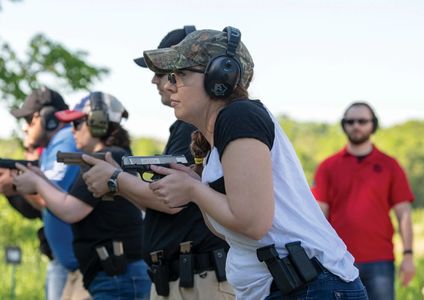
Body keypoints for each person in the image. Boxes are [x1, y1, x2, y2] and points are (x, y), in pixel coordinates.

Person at [141, 27, 368, 299]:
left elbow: (253, 222)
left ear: (220, 77)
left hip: (309, 286)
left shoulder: (239, 116)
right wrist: (196, 186)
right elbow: (231, 232)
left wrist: (193, 191)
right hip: (292, 286)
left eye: (181, 75)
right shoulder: (218, 138)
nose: (168, 85)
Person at [81, 26, 235, 300]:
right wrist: (118, 183)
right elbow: (164, 200)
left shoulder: (194, 125)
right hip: (184, 278)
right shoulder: (188, 126)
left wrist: (115, 179)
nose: (156, 81)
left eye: (168, 72)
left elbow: (172, 201)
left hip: (202, 278)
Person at [12, 92, 151, 300]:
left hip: (117, 277)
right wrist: (42, 180)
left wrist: (38, 184)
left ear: (98, 124)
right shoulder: (111, 156)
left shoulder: (105, 159)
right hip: (114, 275)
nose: (72, 131)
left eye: (77, 124)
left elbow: (70, 210)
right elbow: (76, 202)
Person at [0, 87, 89, 300]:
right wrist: (14, 187)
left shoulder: (65, 139)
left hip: (81, 264)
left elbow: (49, 197)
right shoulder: (54, 145)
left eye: (29, 120)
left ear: (48, 118)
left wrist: (16, 184)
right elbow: (45, 202)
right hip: (69, 262)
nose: (25, 128)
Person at [311, 102, 416, 300]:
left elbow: (404, 213)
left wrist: (408, 255)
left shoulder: (390, 165)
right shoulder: (327, 166)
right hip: (338, 260)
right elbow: (319, 216)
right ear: (344, 125)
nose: (356, 126)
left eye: (362, 121)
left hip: (381, 261)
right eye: (350, 121)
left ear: (373, 125)